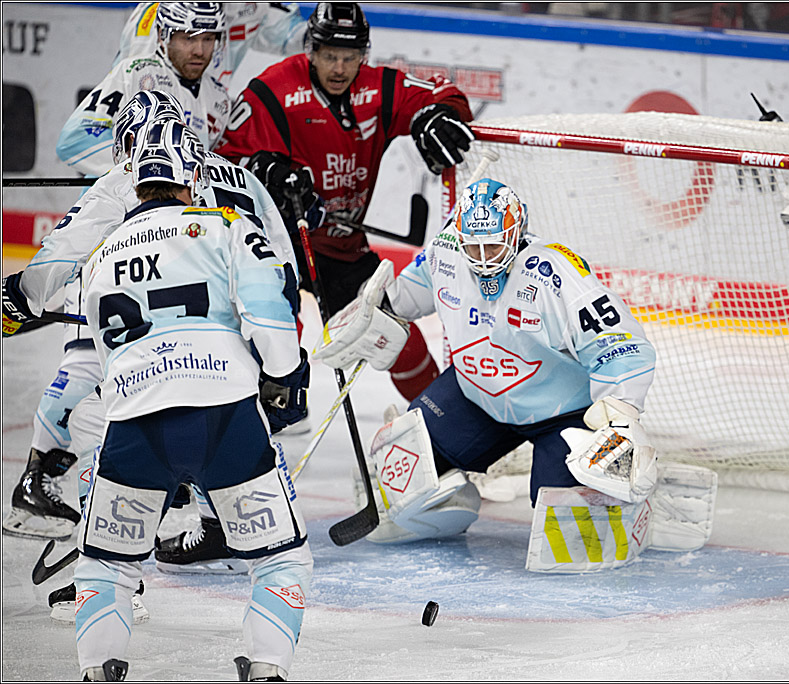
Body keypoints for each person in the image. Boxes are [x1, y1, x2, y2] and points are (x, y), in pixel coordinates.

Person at [3, 89, 302, 623]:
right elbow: (282, 270)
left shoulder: (122, 182)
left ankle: (105, 577)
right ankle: (239, 545)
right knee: (236, 465)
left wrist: (17, 298)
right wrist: (285, 359)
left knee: (118, 441)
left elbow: (50, 276)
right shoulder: (240, 177)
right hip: (244, 350)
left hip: (155, 350)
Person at [313, 178, 718, 572]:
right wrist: (373, 311)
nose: (484, 256)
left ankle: (641, 501)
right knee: (405, 462)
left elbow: (621, 342)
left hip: (561, 414)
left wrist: (622, 414)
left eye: (494, 244)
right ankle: (449, 501)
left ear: (517, 231)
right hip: (478, 397)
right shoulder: (446, 252)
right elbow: (407, 296)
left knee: (570, 532)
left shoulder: (553, 272)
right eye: (475, 244)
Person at [73, 117, 311, 682]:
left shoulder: (100, 256)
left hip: (133, 426)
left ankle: (96, 670)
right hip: (225, 418)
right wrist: (284, 375)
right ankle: (267, 669)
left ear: (136, 184)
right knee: (280, 559)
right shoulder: (226, 224)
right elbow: (268, 310)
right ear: (193, 178)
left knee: (104, 565)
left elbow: (92, 357)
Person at [215, 1, 476, 402]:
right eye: (329, 56)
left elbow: (444, 93)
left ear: (364, 55)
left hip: (341, 246)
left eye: (350, 57)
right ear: (311, 51)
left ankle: (438, 422)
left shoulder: (379, 88)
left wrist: (436, 114)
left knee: (393, 331)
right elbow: (223, 161)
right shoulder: (274, 89)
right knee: (273, 333)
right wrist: (266, 170)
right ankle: (266, 419)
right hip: (278, 242)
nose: (339, 68)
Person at [56, 2, 230, 177]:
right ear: (163, 35)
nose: (199, 51)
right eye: (189, 38)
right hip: (116, 201)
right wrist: (147, 170)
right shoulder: (135, 73)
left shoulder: (219, 98)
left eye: (208, 39)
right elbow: (75, 139)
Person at [112, 1, 307, 90]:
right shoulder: (163, 13)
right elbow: (136, 89)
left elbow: (295, 37)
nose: (199, 49)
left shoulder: (251, 7)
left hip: (209, 121)